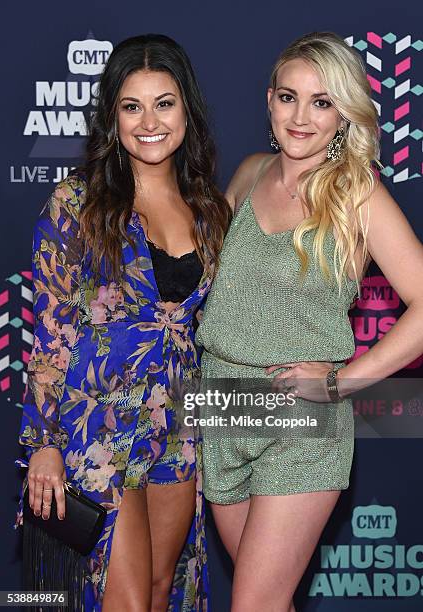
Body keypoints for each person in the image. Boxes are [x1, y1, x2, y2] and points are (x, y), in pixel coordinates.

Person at [196, 31, 423, 611]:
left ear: (344, 115)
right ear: (269, 101)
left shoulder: (359, 195)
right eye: (288, 97)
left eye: (322, 101)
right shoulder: (249, 173)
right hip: (221, 408)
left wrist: (338, 382)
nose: (301, 116)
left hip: (300, 420)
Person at [17, 34, 231, 612]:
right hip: (96, 420)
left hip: (179, 425)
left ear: (187, 108)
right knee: (127, 602)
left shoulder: (211, 210)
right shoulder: (77, 203)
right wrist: (43, 442)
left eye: (164, 103)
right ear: (112, 117)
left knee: (163, 591)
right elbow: (51, 330)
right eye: (131, 106)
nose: (149, 122)